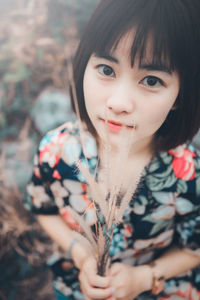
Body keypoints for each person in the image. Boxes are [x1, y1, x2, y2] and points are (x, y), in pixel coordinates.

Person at [24, 0, 200, 299]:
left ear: (180, 96)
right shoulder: (56, 152)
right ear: (83, 66)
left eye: (151, 80)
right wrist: (80, 255)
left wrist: (143, 277)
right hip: (78, 282)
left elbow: (193, 249)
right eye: (106, 69)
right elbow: (44, 210)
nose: (119, 103)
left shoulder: (187, 174)